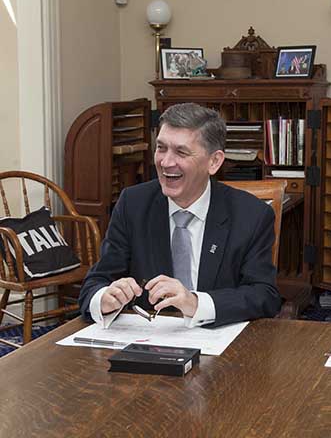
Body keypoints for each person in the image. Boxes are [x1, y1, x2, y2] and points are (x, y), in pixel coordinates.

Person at [79, 102, 281, 328]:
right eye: (161, 148)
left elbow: (264, 295)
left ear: (214, 162)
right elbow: (94, 284)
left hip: (221, 346)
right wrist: (105, 298)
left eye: (181, 152)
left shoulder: (251, 215)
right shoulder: (133, 204)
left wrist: (195, 303)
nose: (165, 162)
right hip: (147, 343)